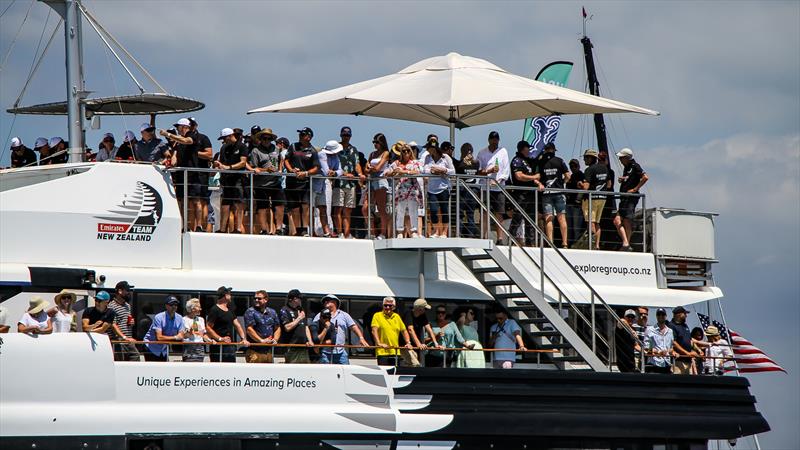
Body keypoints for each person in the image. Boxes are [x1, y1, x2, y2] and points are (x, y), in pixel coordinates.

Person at [163, 118, 213, 232]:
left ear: (185, 127)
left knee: (196, 200)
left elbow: (187, 141)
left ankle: (199, 226)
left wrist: (168, 134)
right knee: (181, 201)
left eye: (179, 127)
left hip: (193, 174)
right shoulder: (178, 142)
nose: (178, 129)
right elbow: (175, 154)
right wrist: (172, 163)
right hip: (182, 175)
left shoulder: (193, 136)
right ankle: (183, 225)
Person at [248, 128, 286, 235]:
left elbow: (281, 160)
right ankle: (264, 229)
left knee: (280, 205)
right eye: (264, 138)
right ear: (260, 139)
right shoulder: (255, 151)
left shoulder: (276, 149)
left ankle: (279, 229)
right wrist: (266, 170)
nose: (266, 140)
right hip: (261, 183)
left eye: (269, 138)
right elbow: (253, 168)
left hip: (275, 182)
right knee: (262, 206)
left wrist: (279, 169)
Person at [313, 294, 369, 364]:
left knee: (345, 373)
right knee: (326, 373)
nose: (325, 302)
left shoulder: (344, 315)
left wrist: (361, 338)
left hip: (341, 352)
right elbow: (313, 330)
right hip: (325, 352)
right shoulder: (319, 316)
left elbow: (354, 327)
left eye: (328, 300)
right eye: (324, 301)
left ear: (335, 302)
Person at [285, 127, 320, 237]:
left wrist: (305, 173)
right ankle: (297, 229)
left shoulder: (313, 151)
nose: (300, 136)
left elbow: (316, 168)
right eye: (300, 134)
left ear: (309, 137)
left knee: (305, 206)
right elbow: (286, 160)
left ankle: (304, 229)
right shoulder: (293, 146)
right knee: (295, 208)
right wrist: (291, 170)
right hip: (292, 182)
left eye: (303, 134)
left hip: (305, 182)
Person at [477, 131, 511, 243]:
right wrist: (488, 171)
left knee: (499, 213)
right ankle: (483, 236)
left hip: (498, 187)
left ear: (498, 140)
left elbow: (506, 171)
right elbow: (478, 171)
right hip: (485, 187)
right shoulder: (482, 153)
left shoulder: (503, 151)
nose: (494, 141)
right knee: (485, 212)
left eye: (496, 139)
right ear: (489, 140)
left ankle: (500, 238)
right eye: (492, 139)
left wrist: (498, 181)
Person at [214, 128, 249, 234]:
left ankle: (238, 228)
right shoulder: (224, 147)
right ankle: (222, 228)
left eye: (224, 138)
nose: (224, 141)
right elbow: (222, 162)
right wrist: (218, 165)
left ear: (230, 136)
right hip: (226, 179)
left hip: (238, 179)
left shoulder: (242, 146)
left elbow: (243, 163)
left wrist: (228, 167)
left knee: (239, 203)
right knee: (225, 203)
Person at [613, 148, 649, 251]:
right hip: (624, 197)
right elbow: (630, 177)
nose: (620, 160)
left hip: (631, 198)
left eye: (621, 158)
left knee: (627, 220)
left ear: (627, 158)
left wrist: (635, 189)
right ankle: (626, 243)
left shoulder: (635, 166)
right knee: (617, 220)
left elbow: (645, 177)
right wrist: (623, 179)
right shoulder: (627, 168)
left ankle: (626, 243)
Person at [508, 140, 542, 246]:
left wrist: (538, 183)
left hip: (531, 194)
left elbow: (531, 176)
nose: (529, 150)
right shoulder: (517, 160)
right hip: (520, 194)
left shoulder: (527, 161)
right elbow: (519, 176)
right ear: (523, 149)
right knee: (517, 219)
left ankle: (530, 243)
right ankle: (511, 241)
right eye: (528, 148)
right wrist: (534, 177)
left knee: (531, 220)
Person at [333, 127, 365, 239]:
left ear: (350, 136)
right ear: (341, 135)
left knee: (348, 210)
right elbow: (333, 165)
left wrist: (360, 175)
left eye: (347, 135)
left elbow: (357, 164)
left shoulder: (353, 149)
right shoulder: (336, 148)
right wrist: (345, 174)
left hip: (351, 184)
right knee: (338, 208)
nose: (346, 137)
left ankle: (346, 234)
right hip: (339, 183)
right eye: (344, 135)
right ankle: (340, 233)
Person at [386, 142, 423, 238]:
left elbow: (417, 171)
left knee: (413, 211)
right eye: (403, 151)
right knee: (400, 211)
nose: (406, 152)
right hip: (401, 190)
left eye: (407, 151)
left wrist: (403, 171)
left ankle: (414, 230)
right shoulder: (397, 163)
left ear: (411, 152)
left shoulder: (415, 162)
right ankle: (399, 231)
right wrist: (394, 172)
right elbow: (386, 173)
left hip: (412, 190)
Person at [538, 143, 570, 248]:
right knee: (562, 218)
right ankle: (564, 243)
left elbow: (537, 176)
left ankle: (550, 242)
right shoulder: (560, 160)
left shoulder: (541, 161)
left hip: (547, 193)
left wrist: (541, 184)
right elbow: (568, 176)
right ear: (554, 150)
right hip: (559, 191)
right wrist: (562, 183)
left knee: (548, 218)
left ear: (545, 150)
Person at [422, 139, 456, 238]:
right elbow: (425, 170)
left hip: (444, 187)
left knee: (444, 210)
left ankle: (444, 232)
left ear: (433, 148)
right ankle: (436, 231)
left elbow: (453, 171)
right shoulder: (427, 158)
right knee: (433, 210)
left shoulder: (446, 157)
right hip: (431, 189)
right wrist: (434, 172)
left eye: (428, 148)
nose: (427, 150)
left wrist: (443, 170)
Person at [206, 286, 249, 362]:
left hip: (230, 346)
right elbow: (208, 327)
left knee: (231, 369)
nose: (231, 296)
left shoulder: (230, 310)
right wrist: (220, 338)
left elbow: (237, 325)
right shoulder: (214, 309)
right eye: (229, 294)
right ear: (226, 296)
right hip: (218, 347)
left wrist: (243, 339)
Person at [371, 297, 416, 366]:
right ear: (382, 306)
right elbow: (374, 331)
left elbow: (404, 331)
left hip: (395, 351)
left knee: (395, 374)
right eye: (385, 305)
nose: (388, 307)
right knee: (385, 375)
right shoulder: (377, 315)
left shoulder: (397, 316)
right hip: (382, 352)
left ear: (394, 307)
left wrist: (408, 342)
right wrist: (379, 343)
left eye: (390, 305)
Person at [579, 148, 609, 250]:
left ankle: (591, 245)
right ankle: (597, 245)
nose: (584, 160)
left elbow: (586, 187)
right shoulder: (605, 168)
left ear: (591, 158)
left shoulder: (589, 170)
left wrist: (580, 184)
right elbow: (609, 185)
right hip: (602, 198)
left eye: (585, 158)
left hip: (591, 199)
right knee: (597, 222)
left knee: (590, 222)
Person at [364, 133, 392, 239]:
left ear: (382, 143)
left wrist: (371, 168)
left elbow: (378, 168)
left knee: (381, 208)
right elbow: (366, 169)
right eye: (374, 142)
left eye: (377, 142)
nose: (375, 144)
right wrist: (371, 169)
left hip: (380, 180)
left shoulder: (385, 153)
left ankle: (383, 233)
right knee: (365, 208)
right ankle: (371, 232)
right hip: (371, 181)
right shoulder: (372, 154)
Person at [314, 140, 344, 237]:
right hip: (315, 183)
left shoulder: (336, 157)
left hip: (326, 183)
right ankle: (313, 230)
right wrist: (333, 173)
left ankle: (327, 230)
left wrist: (335, 173)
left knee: (324, 207)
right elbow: (326, 171)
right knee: (313, 209)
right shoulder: (321, 154)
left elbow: (341, 171)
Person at [143, 296, 185, 362]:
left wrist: (177, 337)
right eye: (171, 304)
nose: (174, 306)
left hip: (164, 349)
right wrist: (176, 337)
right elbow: (159, 338)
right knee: (152, 371)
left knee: (164, 370)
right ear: (166, 306)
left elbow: (181, 336)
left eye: (176, 304)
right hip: (151, 348)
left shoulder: (179, 318)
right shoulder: (159, 317)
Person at [243, 290, 281, 363]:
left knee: (269, 374)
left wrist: (275, 339)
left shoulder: (272, 312)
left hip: (268, 351)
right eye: (255, 298)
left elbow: (277, 328)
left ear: (266, 299)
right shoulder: (250, 311)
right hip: (255, 351)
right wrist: (261, 341)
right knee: (255, 373)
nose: (256, 300)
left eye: (259, 298)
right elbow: (249, 329)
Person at [279, 289, 314, 363]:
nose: (301, 300)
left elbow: (306, 327)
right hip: (292, 348)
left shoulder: (301, 310)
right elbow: (287, 327)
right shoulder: (285, 310)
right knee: (293, 371)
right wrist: (299, 318)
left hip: (303, 347)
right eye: (300, 298)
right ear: (294, 299)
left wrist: (310, 341)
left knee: (306, 371)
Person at [108, 281, 140, 361]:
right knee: (134, 356)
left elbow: (125, 322)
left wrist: (131, 323)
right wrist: (124, 337)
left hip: (127, 340)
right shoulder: (112, 306)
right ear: (120, 291)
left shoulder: (127, 306)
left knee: (133, 357)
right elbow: (113, 325)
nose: (129, 293)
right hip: (118, 341)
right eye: (127, 290)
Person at [403, 298, 442, 363]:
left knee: (414, 364)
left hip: (415, 346)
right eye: (425, 309)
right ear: (420, 309)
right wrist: (419, 344)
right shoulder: (408, 314)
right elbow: (410, 330)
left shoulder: (422, 315)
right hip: (405, 345)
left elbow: (429, 329)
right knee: (415, 365)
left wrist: (436, 343)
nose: (426, 311)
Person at [455, 142, 480, 238]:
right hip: (469, 190)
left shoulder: (464, 163)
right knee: (467, 214)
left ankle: (462, 234)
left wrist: (464, 161)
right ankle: (466, 235)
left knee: (464, 214)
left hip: (466, 190)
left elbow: (458, 169)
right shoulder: (474, 163)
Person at [644, 308, 674, 374]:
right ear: (656, 316)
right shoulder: (649, 330)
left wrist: (669, 351)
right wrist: (658, 352)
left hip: (666, 365)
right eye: (659, 314)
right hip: (653, 365)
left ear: (666, 316)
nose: (661, 316)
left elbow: (671, 348)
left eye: (662, 314)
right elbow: (646, 349)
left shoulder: (670, 331)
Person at [564, 158, 586, 247]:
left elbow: (584, 188)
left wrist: (578, 200)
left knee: (576, 227)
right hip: (569, 203)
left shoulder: (582, 175)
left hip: (577, 205)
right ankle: (569, 243)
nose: (573, 168)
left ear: (578, 166)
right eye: (571, 166)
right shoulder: (571, 177)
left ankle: (577, 244)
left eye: (574, 166)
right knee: (569, 227)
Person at [667, 306, 694, 375]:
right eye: (684, 314)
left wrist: (698, 350)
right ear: (679, 314)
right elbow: (673, 342)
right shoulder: (671, 326)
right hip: (677, 361)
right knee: (677, 383)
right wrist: (687, 353)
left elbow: (690, 340)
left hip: (688, 361)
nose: (686, 316)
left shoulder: (685, 325)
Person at [182, 298, 210, 362]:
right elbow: (185, 335)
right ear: (192, 309)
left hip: (200, 348)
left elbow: (203, 335)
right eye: (199, 307)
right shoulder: (184, 319)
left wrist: (210, 340)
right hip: (189, 349)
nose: (201, 309)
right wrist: (190, 331)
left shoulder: (201, 319)